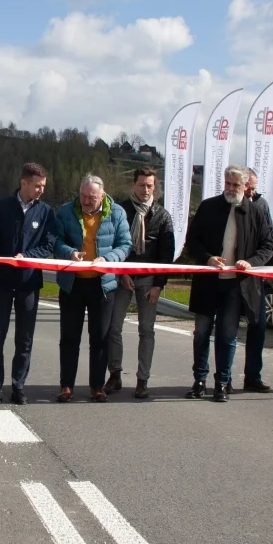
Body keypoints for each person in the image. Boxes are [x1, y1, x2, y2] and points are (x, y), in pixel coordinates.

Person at [184, 165, 273, 402]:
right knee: (201, 333)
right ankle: (199, 380)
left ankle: (222, 383)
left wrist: (251, 262)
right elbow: (192, 241)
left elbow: (268, 246)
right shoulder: (208, 207)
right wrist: (207, 258)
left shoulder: (255, 212)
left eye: (236, 185)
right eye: (228, 183)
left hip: (236, 285)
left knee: (227, 335)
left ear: (246, 186)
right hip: (208, 282)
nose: (231, 189)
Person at [52, 174, 131, 403]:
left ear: (102, 196)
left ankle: (97, 386)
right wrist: (70, 253)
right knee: (69, 337)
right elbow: (55, 241)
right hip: (72, 284)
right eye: (83, 196)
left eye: (92, 197)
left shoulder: (117, 213)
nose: (86, 201)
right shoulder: (66, 211)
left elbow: (125, 244)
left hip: (103, 284)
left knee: (100, 337)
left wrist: (108, 259)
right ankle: (66, 385)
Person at [0, 163, 57, 405]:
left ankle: (18, 386)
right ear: (24, 182)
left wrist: (29, 257)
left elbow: (49, 244)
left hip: (28, 283)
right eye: (37, 186)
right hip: (1, 282)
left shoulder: (46, 212)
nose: (41, 190)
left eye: (43, 187)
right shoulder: (2, 208)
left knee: (24, 339)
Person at [105, 167, 175, 399]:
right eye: (142, 185)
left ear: (154, 188)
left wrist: (158, 285)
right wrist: (120, 272)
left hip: (149, 280)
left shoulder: (162, 216)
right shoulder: (120, 210)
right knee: (113, 327)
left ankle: (142, 380)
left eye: (150, 186)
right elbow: (112, 243)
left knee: (147, 330)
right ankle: (115, 374)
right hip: (122, 277)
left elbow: (167, 254)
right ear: (133, 185)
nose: (145, 190)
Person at [237, 167, 273, 392]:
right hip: (230, 277)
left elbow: (269, 241)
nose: (252, 191)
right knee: (227, 329)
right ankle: (223, 378)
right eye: (249, 186)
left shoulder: (261, 206)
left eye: (254, 187)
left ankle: (253, 376)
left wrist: (270, 272)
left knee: (258, 327)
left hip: (255, 277)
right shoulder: (229, 205)